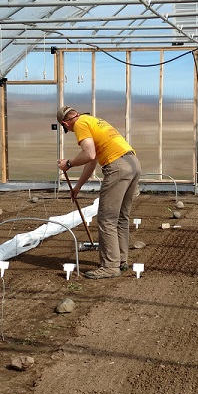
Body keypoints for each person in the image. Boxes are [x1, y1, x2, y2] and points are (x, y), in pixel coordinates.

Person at [57, 106, 141, 279]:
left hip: (117, 166)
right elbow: (93, 159)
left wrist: (69, 163)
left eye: (67, 129)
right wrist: (78, 186)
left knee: (107, 219)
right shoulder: (93, 121)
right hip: (132, 164)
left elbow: (88, 153)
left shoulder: (80, 124)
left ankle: (110, 266)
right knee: (121, 217)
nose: (71, 131)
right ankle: (121, 260)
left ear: (65, 123)